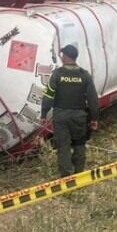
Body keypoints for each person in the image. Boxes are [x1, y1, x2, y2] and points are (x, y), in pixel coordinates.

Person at [40, 44, 100, 177]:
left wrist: (44, 114)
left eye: (62, 55)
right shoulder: (84, 75)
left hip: (61, 116)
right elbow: (93, 100)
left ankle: (67, 176)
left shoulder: (58, 74)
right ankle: (79, 174)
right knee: (79, 144)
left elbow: (48, 96)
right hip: (79, 116)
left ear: (65, 56)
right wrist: (94, 118)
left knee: (63, 146)